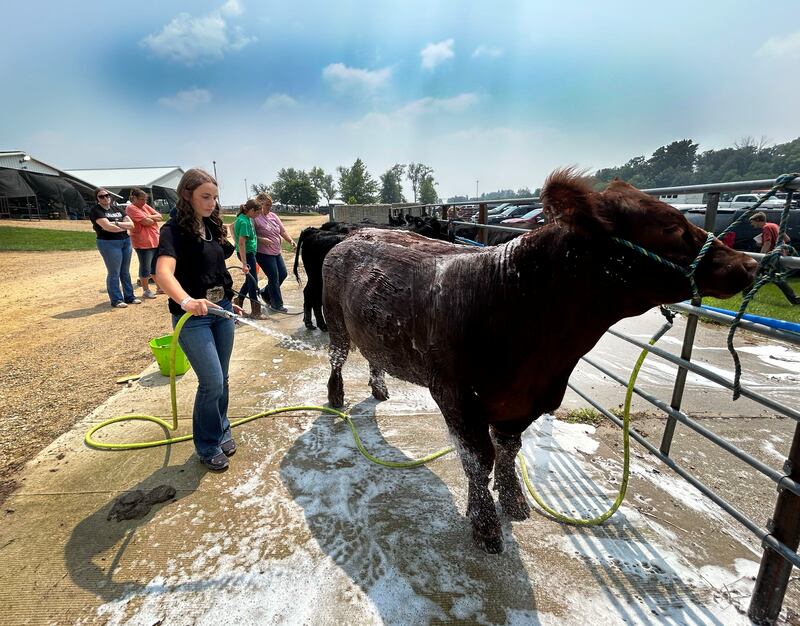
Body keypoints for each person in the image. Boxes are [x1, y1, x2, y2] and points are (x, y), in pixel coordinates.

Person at [155, 168, 243, 471]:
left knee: (224, 378)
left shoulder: (211, 225)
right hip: (193, 318)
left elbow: (217, 268)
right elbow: (162, 273)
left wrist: (230, 302)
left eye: (215, 198)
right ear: (186, 195)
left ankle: (222, 428)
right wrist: (187, 300)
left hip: (221, 312)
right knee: (212, 382)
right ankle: (206, 445)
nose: (212, 203)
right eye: (206, 197)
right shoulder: (173, 231)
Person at [89, 188, 141, 308]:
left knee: (125, 271)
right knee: (114, 272)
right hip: (109, 243)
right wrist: (122, 226)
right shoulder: (96, 210)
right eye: (101, 196)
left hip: (125, 241)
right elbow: (107, 227)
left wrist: (116, 224)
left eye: (107, 195)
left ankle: (129, 296)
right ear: (97, 199)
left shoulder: (117, 208)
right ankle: (116, 299)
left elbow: (131, 225)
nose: (105, 198)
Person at [254, 192, 295, 313]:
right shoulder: (255, 217)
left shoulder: (273, 216)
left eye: (270, 205)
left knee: (283, 274)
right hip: (263, 253)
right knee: (274, 277)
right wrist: (261, 239)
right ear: (260, 204)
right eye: (267, 205)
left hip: (276, 252)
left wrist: (291, 241)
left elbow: (282, 231)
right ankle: (277, 304)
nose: (269, 208)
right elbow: (249, 235)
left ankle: (265, 292)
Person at [747, 212, 799, 304]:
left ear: (758, 220)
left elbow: (768, 242)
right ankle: (795, 299)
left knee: (755, 274)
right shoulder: (774, 225)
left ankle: (746, 296)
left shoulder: (766, 227)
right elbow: (787, 239)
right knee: (774, 278)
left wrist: (760, 257)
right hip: (780, 254)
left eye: (753, 222)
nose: (752, 224)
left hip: (771, 256)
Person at [126, 188, 164, 298]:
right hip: (142, 242)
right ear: (134, 198)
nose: (144, 202)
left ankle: (159, 287)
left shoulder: (144, 206)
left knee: (155, 266)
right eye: (141, 199)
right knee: (145, 267)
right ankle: (146, 290)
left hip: (154, 240)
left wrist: (148, 217)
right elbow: (146, 222)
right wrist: (150, 218)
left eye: (145, 200)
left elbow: (160, 216)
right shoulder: (131, 208)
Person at [232, 199, 266, 319]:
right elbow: (241, 243)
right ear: (251, 210)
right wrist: (245, 264)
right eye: (257, 213)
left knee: (250, 279)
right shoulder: (244, 222)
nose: (258, 216)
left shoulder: (243, 218)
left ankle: (239, 300)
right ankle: (256, 312)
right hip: (247, 254)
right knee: (253, 282)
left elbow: (231, 227)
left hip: (249, 253)